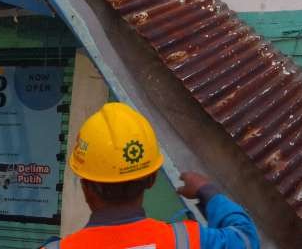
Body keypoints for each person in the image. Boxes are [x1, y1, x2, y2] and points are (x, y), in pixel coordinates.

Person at [41, 102, 259, 249]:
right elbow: (246, 239)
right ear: (152, 179)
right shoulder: (186, 241)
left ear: (86, 187)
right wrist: (207, 192)